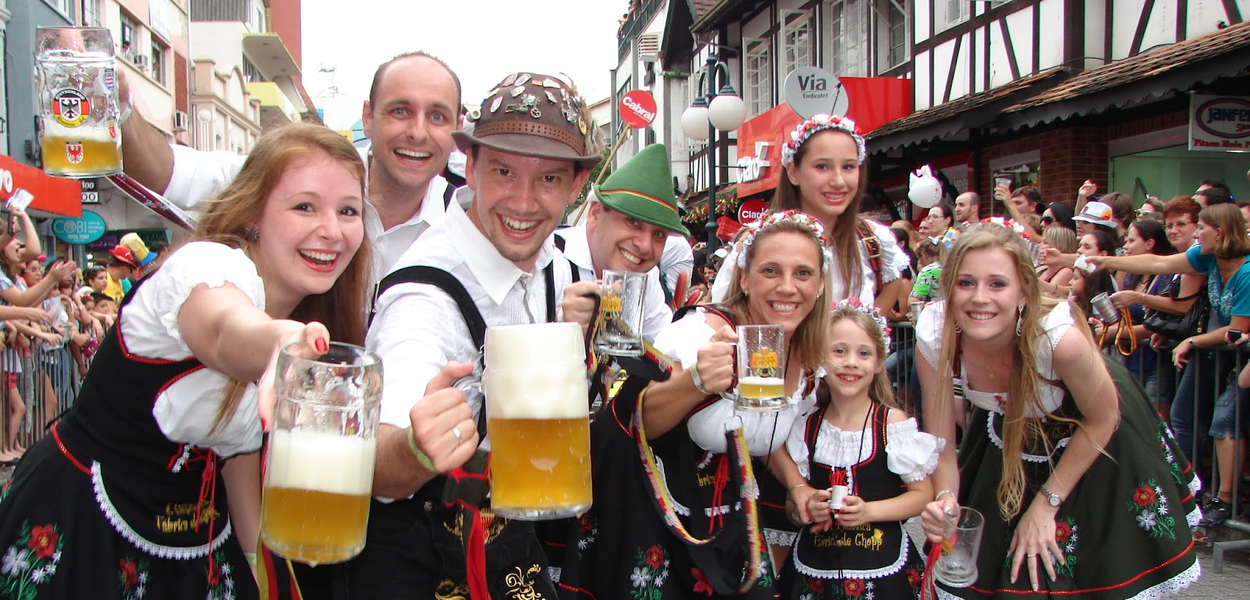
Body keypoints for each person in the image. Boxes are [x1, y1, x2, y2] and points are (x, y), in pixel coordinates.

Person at [0, 123, 372, 599]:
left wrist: (263, 570)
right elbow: (222, 329)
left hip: (192, 545)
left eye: (348, 211)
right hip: (85, 527)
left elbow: (236, 444)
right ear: (254, 212)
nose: (332, 230)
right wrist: (278, 340)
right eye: (304, 206)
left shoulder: (307, 308)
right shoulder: (207, 267)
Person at [358, 72, 599, 599]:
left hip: (509, 542)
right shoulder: (424, 296)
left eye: (550, 180)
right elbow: (376, 465)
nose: (524, 201)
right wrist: (416, 450)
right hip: (416, 558)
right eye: (504, 171)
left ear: (577, 186)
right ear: (469, 166)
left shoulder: (558, 267)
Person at [918, 224, 1199, 599]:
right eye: (965, 283)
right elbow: (941, 442)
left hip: (1097, 431)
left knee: (1084, 565)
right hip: (1013, 433)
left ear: (1023, 290)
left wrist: (1046, 505)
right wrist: (945, 502)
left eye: (997, 284)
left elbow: (1104, 418)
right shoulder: (935, 335)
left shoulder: (1057, 339)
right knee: (1001, 560)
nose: (979, 298)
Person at [563, 211, 831, 598]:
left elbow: (759, 431)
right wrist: (698, 381)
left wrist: (798, 486)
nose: (787, 287)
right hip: (660, 525)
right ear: (745, 277)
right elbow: (639, 420)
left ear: (821, 285)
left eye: (803, 273)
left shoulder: (806, 356)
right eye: (771, 271)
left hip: (730, 531)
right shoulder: (700, 335)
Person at [119, 51, 462, 276]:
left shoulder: (467, 218)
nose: (418, 132)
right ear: (368, 118)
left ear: (457, 130)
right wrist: (119, 109)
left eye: (437, 116)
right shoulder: (302, 172)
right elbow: (170, 172)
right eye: (400, 111)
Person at [1089, 203, 1250, 529]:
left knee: (1224, 421)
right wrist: (1107, 260)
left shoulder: (1246, 273)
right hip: (1214, 352)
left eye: (1200, 228)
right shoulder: (1208, 258)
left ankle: (1225, 498)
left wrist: (1192, 341)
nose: (1195, 235)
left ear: (1218, 232)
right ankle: (1187, 488)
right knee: (1182, 415)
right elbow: (1158, 263)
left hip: (1234, 355)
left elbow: (1238, 327)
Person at [772, 300, 940, 600]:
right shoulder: (805, 425)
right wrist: (807, 508)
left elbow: (922, 495)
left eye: (863, 353)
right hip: (815, 571)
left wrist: (869, 511)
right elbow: (792, 503)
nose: (851, 362)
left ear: (878, 363)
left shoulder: (892, 423)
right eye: (839, 351)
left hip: (884, 571)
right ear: (821, 357)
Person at [712, 114, 906, 314]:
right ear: (793, 172)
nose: (838, 181)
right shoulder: (756, 240)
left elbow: (892, 285)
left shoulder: (872, 240)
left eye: (848, 166)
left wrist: (858, 333)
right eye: (822, 166)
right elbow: (721, 315)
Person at [556, 143, 683, 342]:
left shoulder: (646, 278)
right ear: (595, 213)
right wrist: (560, 323)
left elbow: (667, 345)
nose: (645, 245)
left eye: (659, 233)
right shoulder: (549, 262)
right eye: (633, 222)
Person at [1101, 220, 1174, 402]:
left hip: (1158, 360)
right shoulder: (1132, 277)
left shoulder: (1166, 277)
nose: (1126, 246)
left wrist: (1115, 332)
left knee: (1156, 418)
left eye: (1132, 241)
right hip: (1133, 358)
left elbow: (1158, 323)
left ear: (1150, 244)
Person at [1036, 227, 1077, 298]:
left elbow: (1048, 298)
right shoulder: (1043, 268)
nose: (1040, 245)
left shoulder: (1066, 271)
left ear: (1058, 246)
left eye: (1045, 242)